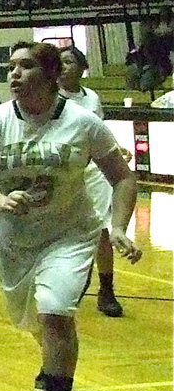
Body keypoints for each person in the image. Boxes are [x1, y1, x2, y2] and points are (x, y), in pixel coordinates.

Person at [0, 41, 141, 391]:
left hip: (68, 235)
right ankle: (51, 365)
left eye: (25, 66)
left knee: (56, 312)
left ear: (50, 75)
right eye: (11, 67)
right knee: (33, 322)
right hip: (13, 237)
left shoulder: (84, 123)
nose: (14, 74)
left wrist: (117, 226)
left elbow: (123, 178)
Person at [57, 46, 126, 317]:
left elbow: (99, 133)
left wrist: (116, 149)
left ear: (82, 67)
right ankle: (72, 278)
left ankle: (106, 289)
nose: (64, 67)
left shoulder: (92, 98)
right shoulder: (51, 99)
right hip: (64, 170)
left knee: (101, 230)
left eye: (69, 61)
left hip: (93, 171)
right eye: (60, 62)